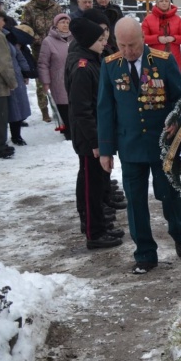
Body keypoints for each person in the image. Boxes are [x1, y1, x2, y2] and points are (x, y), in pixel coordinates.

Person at [97, 17, 181, 274]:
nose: (128, 51)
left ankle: (180, 232)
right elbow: (105, 109)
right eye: (122, 45)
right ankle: (145, 254)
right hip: (130, 147)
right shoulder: (110, 66)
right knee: (135, 202)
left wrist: (175, 119)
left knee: (168, 194)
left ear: (142, 39)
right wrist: (105, 150)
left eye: (133, 45)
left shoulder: (162, 61)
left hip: (161, 145)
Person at [65, 18, 123, 250]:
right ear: (88, 41)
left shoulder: (91, 60)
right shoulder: (82, 67)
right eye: (99, 39)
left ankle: (98, 224)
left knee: (97, 182)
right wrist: (96, 141)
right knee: (91, 184)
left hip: (96, 133)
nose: (104, 42)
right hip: (90, 136)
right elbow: (82, 110)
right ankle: (94, 232)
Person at [21, 0, 62, 123]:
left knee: (58, 79)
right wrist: (37, 39)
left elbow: (62, 23)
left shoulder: (55, 7)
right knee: (41, 82)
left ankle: (61, 108)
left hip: (55, 48)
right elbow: (25, 27)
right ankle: (44, 110)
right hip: (38, 50)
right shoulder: (29, 8)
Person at [38, 13, 73, 139]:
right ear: (56, 24)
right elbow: (43, 63)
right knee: (63, 104)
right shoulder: (48, 41)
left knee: (74, 103)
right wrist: (45, 82)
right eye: (62, 22)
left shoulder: (74, 39)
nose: (65, 25)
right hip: (58, 78)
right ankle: (67, 130)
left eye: (67, 22)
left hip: (74, 77)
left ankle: (73, 128)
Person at [141, 0, 181, 71]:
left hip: (174, 58)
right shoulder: (148, 19)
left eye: (166, 1)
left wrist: (174, 38)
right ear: (157, 3)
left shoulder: (177, 19)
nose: (164, 3)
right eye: (161, 1)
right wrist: (157, 39)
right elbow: (142, 37)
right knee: (156, 81)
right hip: (154, 57)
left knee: (174, 82)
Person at [3, 25, 32, 146]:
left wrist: (26, 72)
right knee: (3, 110)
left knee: (18, 108)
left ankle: (16, 136)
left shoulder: (8, 36)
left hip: (16, 76)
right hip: (1, 79)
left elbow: (19, 55)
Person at [0, 10, 18, 159]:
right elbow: (4, 63)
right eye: (2, 20)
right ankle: (0, 146)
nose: (4, 23)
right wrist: (11, 82)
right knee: (0, 116)